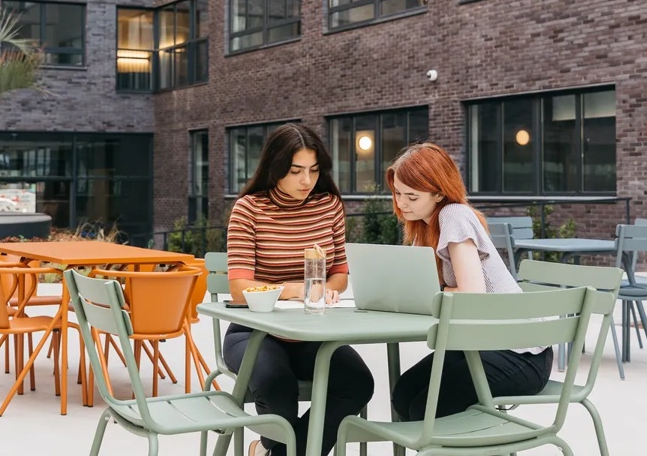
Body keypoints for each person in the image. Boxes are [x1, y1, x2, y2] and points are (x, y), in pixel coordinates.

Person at [224, 123, 374, 456]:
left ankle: (269, 453)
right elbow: (239, 288)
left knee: (358, 383)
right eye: (295, 171)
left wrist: (327, 290)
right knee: (277, 386)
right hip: (254, 333)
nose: (307, 180)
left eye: (314, 170)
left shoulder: (329, 206)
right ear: (275, 167)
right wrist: (295, 290)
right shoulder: (249, 209)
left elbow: (339, 274)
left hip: (311, 334)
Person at [385, 142, 553, 421]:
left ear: (439, 192)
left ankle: (477, 441)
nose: (402, 204)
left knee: (424, 408)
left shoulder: (454, 215)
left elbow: (472, 295)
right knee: (405, 393)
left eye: (412, 197)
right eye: (398, 193)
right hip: (481, 344)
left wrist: (437, 290)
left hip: (520, 354)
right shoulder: (423, 226)